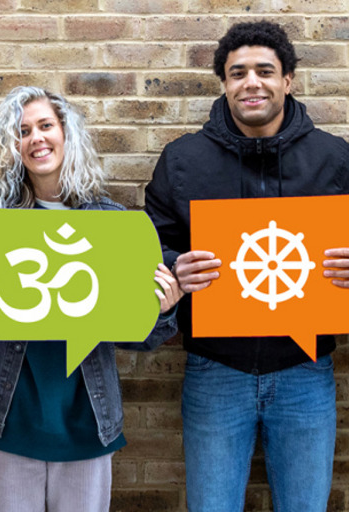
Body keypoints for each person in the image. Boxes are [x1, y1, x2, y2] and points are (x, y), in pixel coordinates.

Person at [144, 21, 349, 511]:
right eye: (238, 73)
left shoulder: (335, 160)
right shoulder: (182, 161)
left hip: (306, 369)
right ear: (223, 82)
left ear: (289, 79)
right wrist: (175, 268)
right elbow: (149, 251)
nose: (251, 82)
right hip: (216, 371)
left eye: (264, 70)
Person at [0, 86, 183, 512]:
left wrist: (163, 309)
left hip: (87, 418)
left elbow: (139, 338)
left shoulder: (112, 225)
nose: (36, 138)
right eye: (23, 131)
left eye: (46, 125)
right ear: (13, 147)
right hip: (12, 417)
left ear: (67, 133)